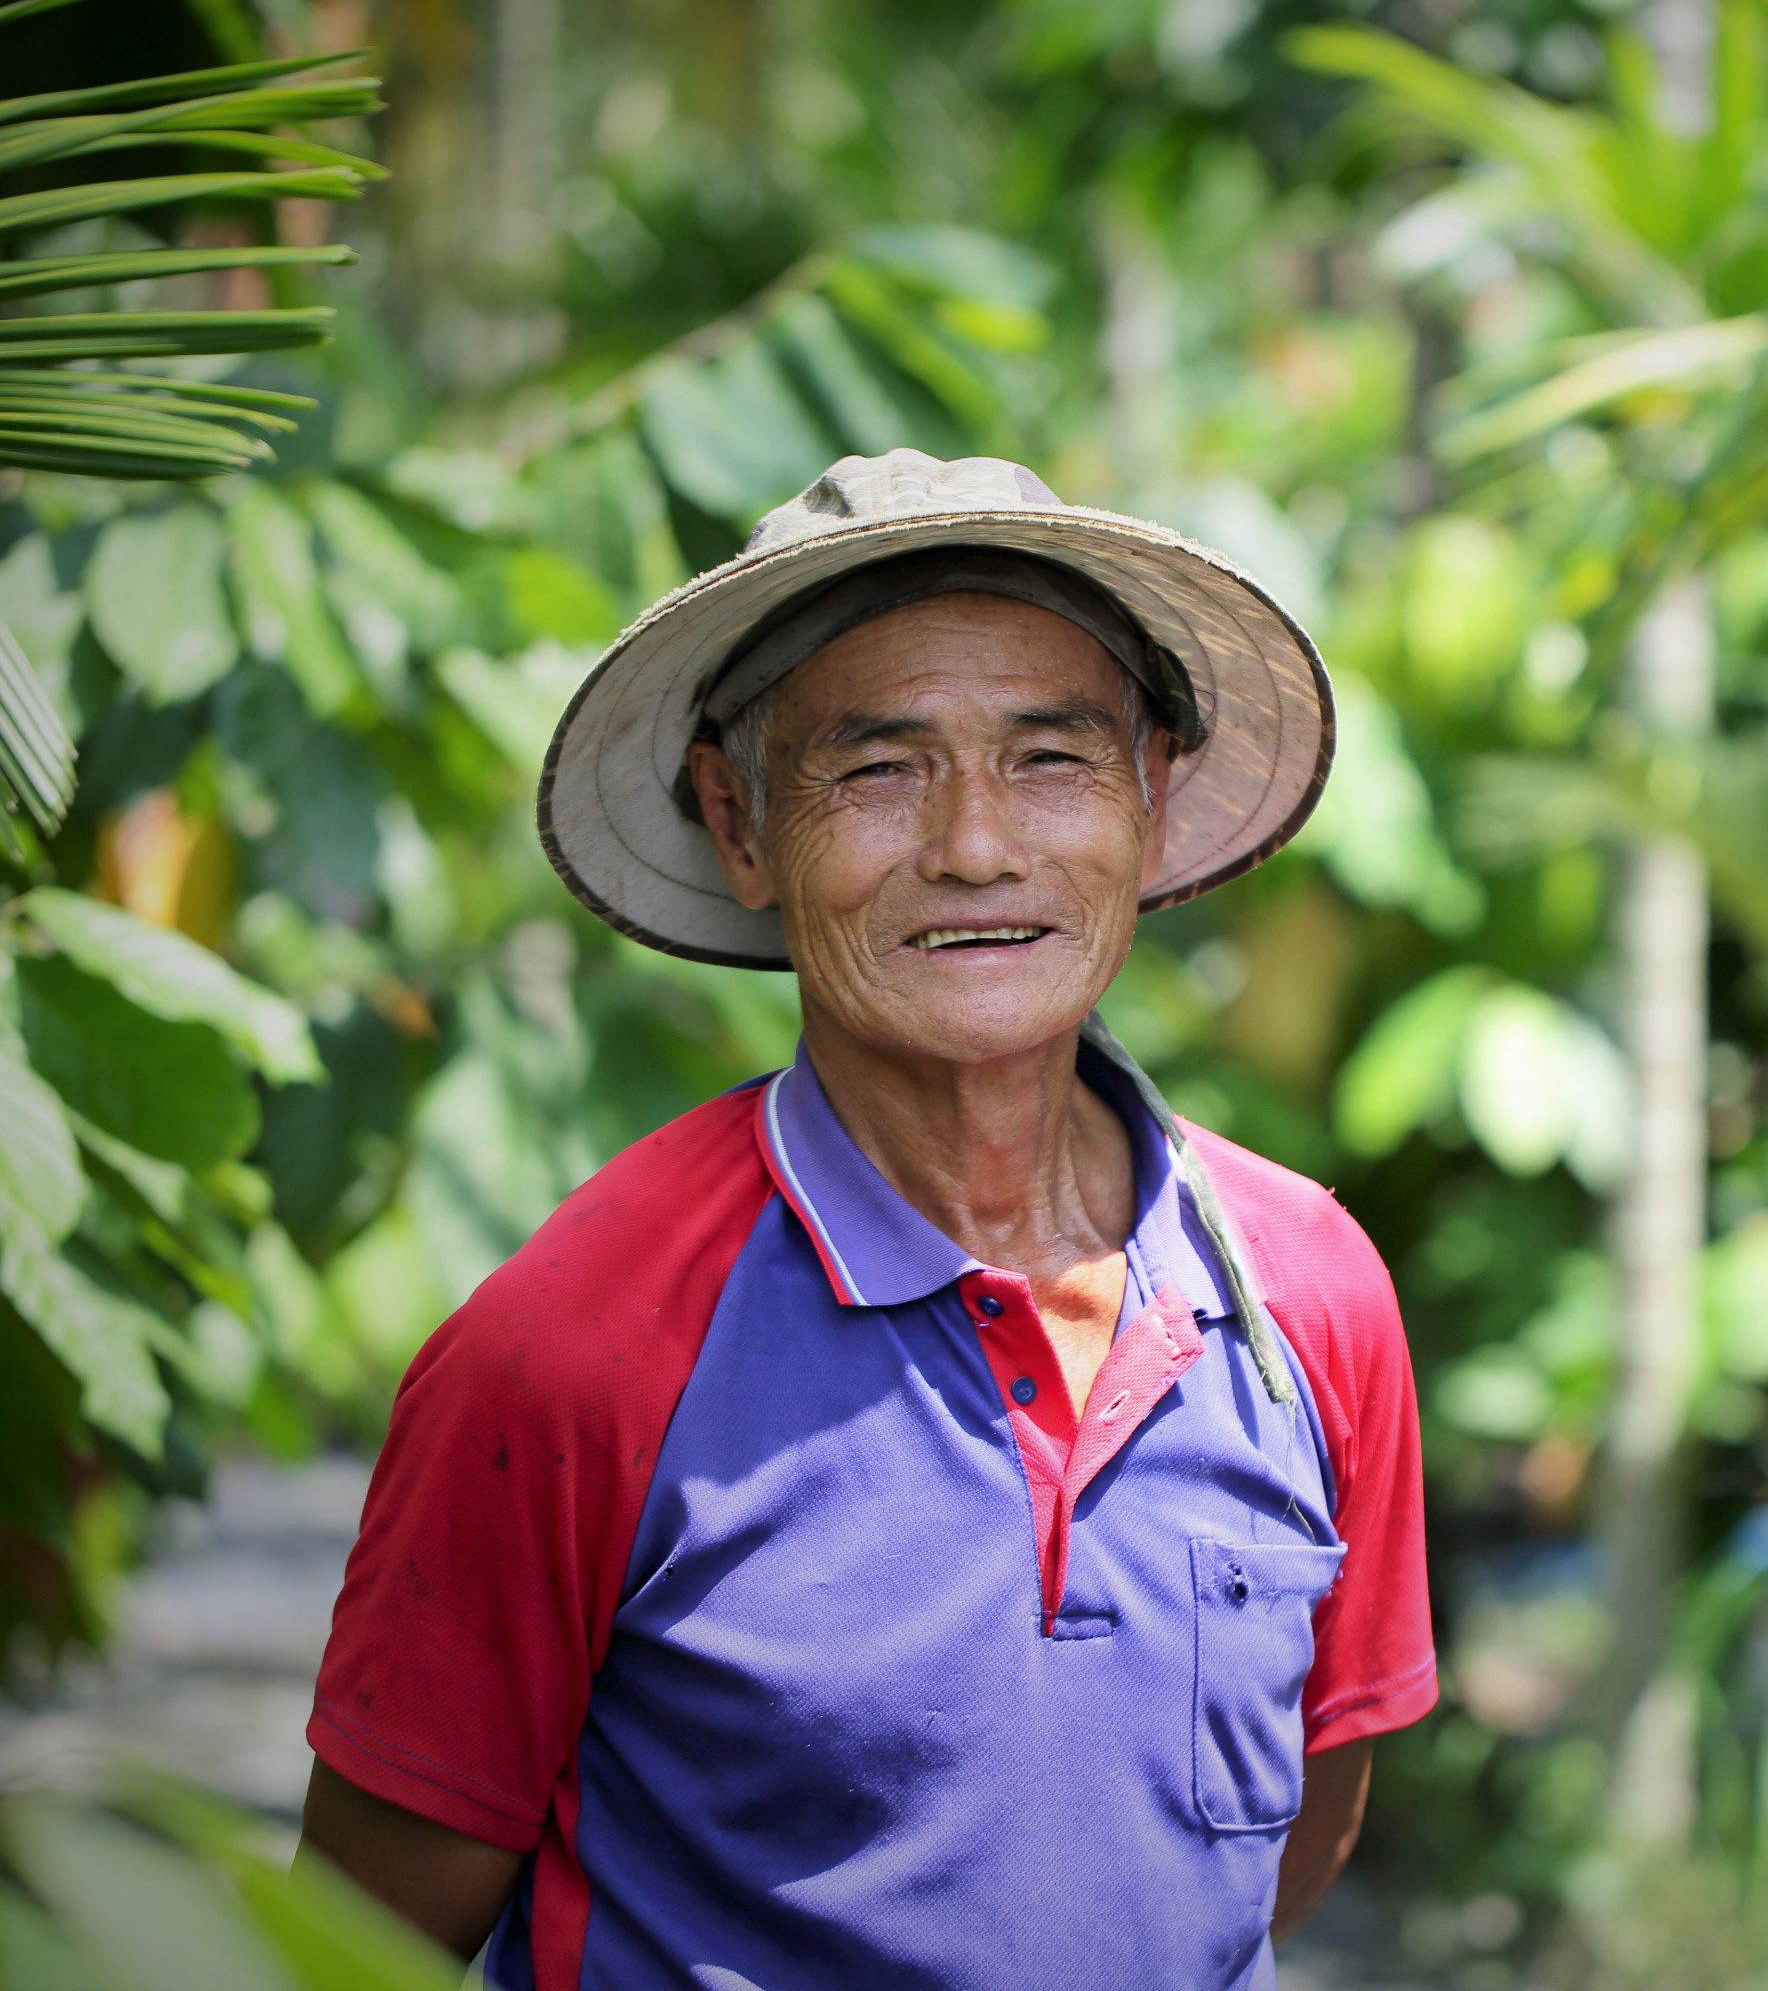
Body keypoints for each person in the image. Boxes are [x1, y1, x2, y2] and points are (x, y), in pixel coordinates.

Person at [295, 452, 1435, 1990]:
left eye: (1051, 760)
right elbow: (350, 1948)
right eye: (879, 769)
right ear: (740, 825)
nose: (975, 846)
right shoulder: (571, 1353)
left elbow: (1290, 1838)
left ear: (1150, 802)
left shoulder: (1308, 1292)